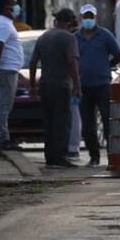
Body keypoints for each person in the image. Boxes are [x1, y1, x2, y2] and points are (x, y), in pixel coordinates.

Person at [27, 9, 81, 168]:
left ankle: (50, 156)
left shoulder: (43, 37)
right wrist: (77, 85)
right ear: (70, 22)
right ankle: (60, 156)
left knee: (49, 121)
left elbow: (32, 62)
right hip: (61, 85)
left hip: (45, 85)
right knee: (62, 122)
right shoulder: (69, 38)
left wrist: (32, 86)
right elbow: (72, 62)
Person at [73, 4, 120, 168]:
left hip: (102, 85)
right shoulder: (75, 38)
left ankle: (112, 157)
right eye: (85, 16)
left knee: (108, 122)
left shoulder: (105, 35)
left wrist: (105, 66)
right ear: (81, 18)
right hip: (83, 86)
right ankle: (94, 157)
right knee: (87, 125)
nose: (88, 19)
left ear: (95, 18)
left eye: (90, 16)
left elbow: (118, 55)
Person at [0, 0, 24, 150]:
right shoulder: (3, 24)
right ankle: (2, 139)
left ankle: (4, 136)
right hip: (6, 69)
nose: (17, 7)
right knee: (3, 105)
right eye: (14, 4)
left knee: (6, 105)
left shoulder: (7, 23)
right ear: (5, 7)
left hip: (11, 69)